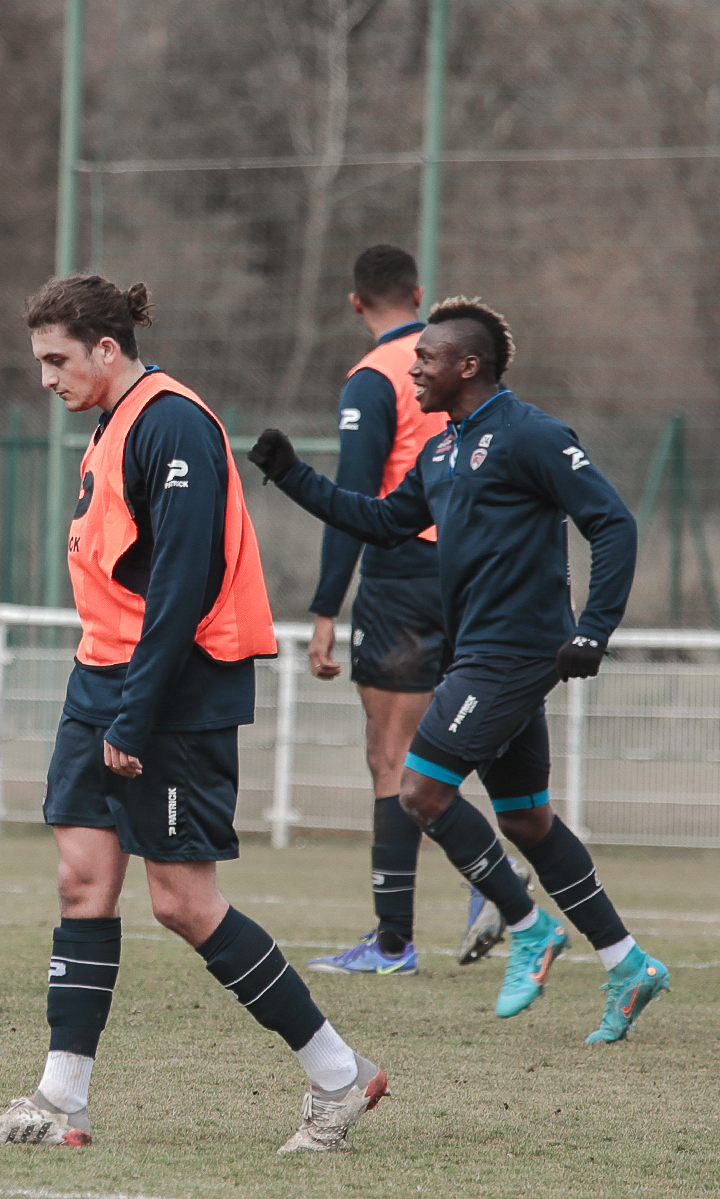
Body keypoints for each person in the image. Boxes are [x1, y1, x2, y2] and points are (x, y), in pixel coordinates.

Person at [0, 276, 385, 1154]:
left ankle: (340, 1077)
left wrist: (134, 720)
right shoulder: (111, 426)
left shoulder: (172, 420)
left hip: (173, 694)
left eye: (56, 361)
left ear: (106, 350)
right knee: (81, 878)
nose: (46, 379)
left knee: (184, 903)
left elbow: (184, 584)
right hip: (100, 676)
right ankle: (59, 1102)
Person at [246, 297, 671, 1044]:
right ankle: (627, 962)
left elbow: (612, 522)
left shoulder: (531, 434)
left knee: (421, 791)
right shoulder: (441, 450)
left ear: (467, 366)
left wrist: (594, 631)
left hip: (517, 651)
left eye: (428, 359)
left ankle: (525, 926)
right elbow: (381, 520)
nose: (414, 367)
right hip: (475, 650)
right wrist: (291, 476)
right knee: (526, 819)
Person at [299, 244, 450, 978]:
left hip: (404, 575)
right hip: (477, 571)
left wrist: (326, 607)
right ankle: (500, 895)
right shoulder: (462, 361)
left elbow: (356, 505)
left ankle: (394, 942)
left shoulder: (375, 376)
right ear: (418, 295)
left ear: (355, 303)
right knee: (458, 750)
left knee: (392, 757)